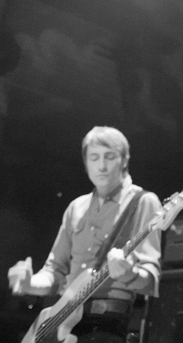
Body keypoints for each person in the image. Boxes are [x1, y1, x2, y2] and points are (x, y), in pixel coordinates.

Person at [8, 126, 162, 343]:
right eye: (94, 158)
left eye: (110, 157)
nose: (101, 166)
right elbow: (54, 272)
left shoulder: (143, 201)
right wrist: (29, 283)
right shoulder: (76, 207)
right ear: (85, 163)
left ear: (124, 160)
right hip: (62, 320)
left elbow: (150, 281)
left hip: (107, 323)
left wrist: (127, 273)